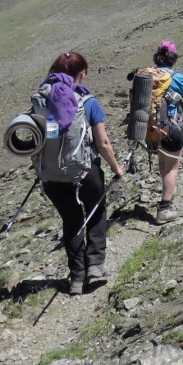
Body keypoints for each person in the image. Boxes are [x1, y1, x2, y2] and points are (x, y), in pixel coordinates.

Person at [39, 51, 124, 295]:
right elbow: (103, 143)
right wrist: (116, 167)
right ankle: (95, 264)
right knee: (96, 211)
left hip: (52, 176)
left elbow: (46, 137)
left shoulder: (40, 100)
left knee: (71, 221)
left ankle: (77, 277)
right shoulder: (87, 102)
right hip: (85, 170)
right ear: (81, 73)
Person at [150, 40, 183, 224]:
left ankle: (167, 197)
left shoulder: (150, 75)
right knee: (173, 167)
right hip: (171, 128)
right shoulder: (177, 77)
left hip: (153, 128)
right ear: (173, 58)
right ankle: (165, 208)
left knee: (164, 164)